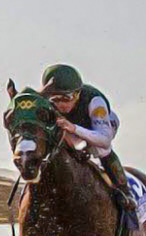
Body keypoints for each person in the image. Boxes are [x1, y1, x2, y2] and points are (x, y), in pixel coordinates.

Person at [40, 63, 138, 226]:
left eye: (66, 98)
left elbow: (104, 139)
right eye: (56, 99)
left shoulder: (95, 101)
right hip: (71, 131)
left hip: (100, 127)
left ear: (78, 94)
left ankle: (124, 190)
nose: (61, 105)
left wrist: (74, 128)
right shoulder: (46, 102)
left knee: (99, 148)